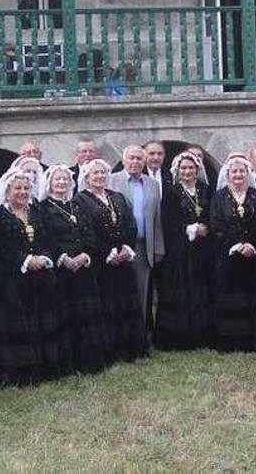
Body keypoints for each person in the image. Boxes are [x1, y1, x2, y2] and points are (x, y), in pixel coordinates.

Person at [0, 169, 61, 384]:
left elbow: (49, 239)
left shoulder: (37, 211)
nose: (22, 192)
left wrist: (44, 258)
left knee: (42, 322)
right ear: (7, 190)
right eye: (17, 188)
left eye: (26, 188)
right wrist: (26, 261)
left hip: (41, 278)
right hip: (12, 280)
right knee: (19, 325)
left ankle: (46, 367)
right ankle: (21, 373)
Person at [38, 164, 111, 374]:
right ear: (49, 183)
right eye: (57, 180)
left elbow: (90, 234)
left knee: (87, 315)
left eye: (65, 180)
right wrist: (63, 258)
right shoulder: (43, 208)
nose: (61, 183)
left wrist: (86, 254)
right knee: (67, 316)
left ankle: (91, 362)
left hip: (84, 268)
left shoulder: (77, 206)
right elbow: (46, 238)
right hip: (62, 272)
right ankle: (70, 364)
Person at [75, 158, 144, 362]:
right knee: (107, 305)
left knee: (127, 303)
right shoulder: (80, 200)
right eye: (95, 173)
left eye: (103, 173)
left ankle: (132, 349)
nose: (100, 177)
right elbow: (86, 231)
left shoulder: (117, 196)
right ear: (86, 177)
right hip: (101, 262)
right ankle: (112, 352)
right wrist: (108, 252)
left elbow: (130, 225)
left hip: (123, 260)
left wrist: (126, 248)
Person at [154, 151, 214, 350]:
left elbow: (213, 215)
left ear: (197, 170)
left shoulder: (206, 190)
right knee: (181, 291)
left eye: (191, 168)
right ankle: (181, 338)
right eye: (183, 168)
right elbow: (167, 222)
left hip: (203, 250)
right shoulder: (171, 194)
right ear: (177, 171)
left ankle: (203, 335)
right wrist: (189, 228)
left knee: (202, 291)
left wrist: (207, 227)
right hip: (179, 252)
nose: (187, 171)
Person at [209, 154, 256, 352]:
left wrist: (251, 245)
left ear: (247, 174)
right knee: (229, 298)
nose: (238, 175)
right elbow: (216, 225)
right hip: (227, 256)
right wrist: (236, 245)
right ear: (228, 174)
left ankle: (249, 342)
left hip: (252, 256)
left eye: (242, 171)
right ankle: (229, 343)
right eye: (235, 171)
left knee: (250, 298)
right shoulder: (219, 197)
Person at [109, 145, 165, 336]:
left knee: (141, 294)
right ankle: (119, 336)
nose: (135, 162)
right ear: (123, 161)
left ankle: (139, 337)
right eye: (131, 158)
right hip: (118, 248)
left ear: (144, 161)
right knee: (119, 293)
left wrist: (158, 247)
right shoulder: (111, 181)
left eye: (139, 159)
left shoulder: (152, 184)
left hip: (143, 247)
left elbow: (156, 220)